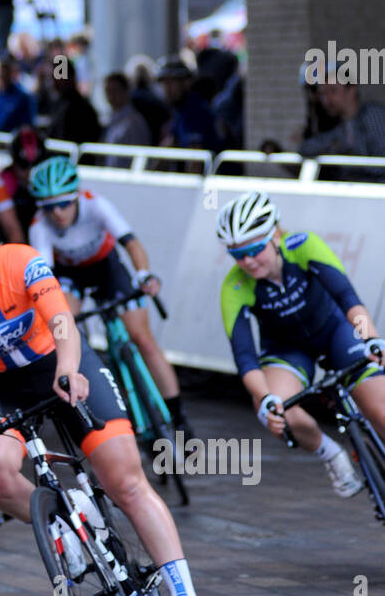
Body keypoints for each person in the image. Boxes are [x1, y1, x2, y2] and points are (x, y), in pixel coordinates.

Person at [0, 202, 210, 596]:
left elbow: (63, 320)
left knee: (124, 480)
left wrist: (69, 368)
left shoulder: (21, 261)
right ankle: (65, 522)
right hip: (2, 386)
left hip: (63, 361)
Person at [217, 191, 385, 497]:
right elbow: (245, 358)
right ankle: (331, 454)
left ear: (276, 236)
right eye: (237, 255)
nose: (248, 261)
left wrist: (371, 337)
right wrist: (266, 398)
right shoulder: (235, 286)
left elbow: (349, 300)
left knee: (381, 411)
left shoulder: (303, 245)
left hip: (336, 331)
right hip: (287, 351)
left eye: (255, 249)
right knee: (278, 409)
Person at [27, 155, 192, 437]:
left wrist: (142, 274)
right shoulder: (38, 226)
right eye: (49, 207)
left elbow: (132, 244)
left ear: (77, 197)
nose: (58, 213)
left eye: (64, 203)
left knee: (143, 339)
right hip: (70, 275)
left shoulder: (96, 204)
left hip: (107, 268)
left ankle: (179, 419)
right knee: (66, 327)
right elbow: (45, 281)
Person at [299, 76, 385, 180]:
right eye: (323, 94)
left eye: (333, 90)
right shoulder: (339, 127)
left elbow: (379, 163)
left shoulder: (374, 116)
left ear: (352, 90)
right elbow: (306, 148)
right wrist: (336, 146)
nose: (327, 99)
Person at [155, 55, 220, 153]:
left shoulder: (195, 111)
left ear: (186, 82)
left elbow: (196, 159)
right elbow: (171, 142)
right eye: (164, 83)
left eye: (171, 82)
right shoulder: (180, 109)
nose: (167, 89)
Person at [1, 125, 48, 239]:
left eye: (36, 165)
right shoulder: (4, 181)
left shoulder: (51, 177)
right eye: (24, 165)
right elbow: (9, 226)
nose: (30, 172)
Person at [102, 72, 151, 159]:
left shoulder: (135, 122)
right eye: (108, 91)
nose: (111, 96)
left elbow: (139, 154)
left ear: (126, 91)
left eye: (115, 90)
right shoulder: (110, 119)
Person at [0, 55, 36, 133]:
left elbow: (27, 127)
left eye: (7, 69)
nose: (4, 73)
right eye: (2, 68)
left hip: (9, 141)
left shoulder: (23, 97)